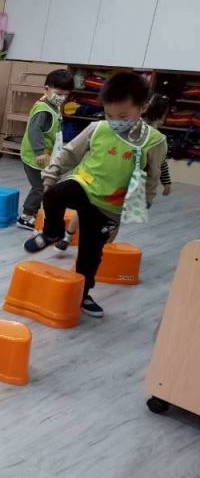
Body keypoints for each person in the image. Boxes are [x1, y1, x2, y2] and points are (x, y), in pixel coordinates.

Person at [24, 72, 167, 318]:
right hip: (84, 184)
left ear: (143, 108)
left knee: (90, 254)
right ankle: (52, 232)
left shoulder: (154, 141)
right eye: (109, 115)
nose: (114, 121)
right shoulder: (98, 128)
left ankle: (84, 294)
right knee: (54, 194)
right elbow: (70, 153)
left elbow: (153, 176)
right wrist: (52, 174)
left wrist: (145, 200)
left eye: (123, 116)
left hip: (109, 206)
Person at [55, 93, 173, 251]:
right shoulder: (154, 138)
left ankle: (67, 237)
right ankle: (103, 248)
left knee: (85, 206)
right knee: (113, 219)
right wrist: (164, 184)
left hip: (101, 177)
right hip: (122, 184)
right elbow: (158, 165)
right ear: (162, 116)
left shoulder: (127, 125)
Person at [16, 69, 75, 230]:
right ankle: (26, 216)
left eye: (65, 94)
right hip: (35, 156)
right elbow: (34, 130)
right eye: (59, 93)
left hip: (45, 155)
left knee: (46, 185)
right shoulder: (43, 109)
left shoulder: (53, 105)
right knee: (40, 187)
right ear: (46, 89)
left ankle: (34, 213)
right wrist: (39, 151)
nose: (62, 98)